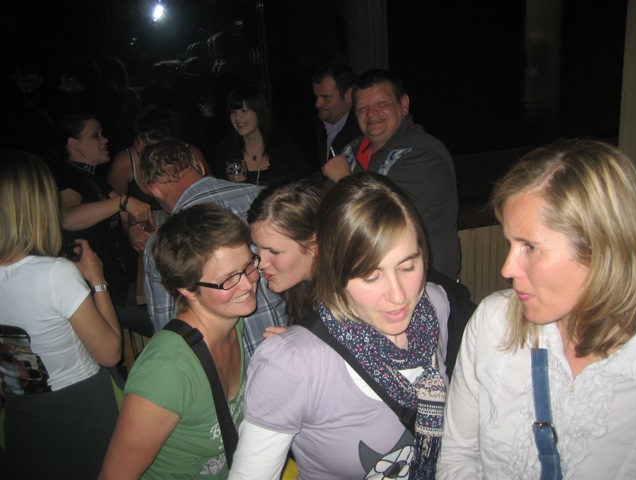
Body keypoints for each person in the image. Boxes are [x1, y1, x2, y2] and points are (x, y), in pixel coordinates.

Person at [437, 139, 636, 479]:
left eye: (529, 246)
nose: (506, 268)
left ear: (601, 247)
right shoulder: (493, 322)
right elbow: (457, 455)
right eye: (510, 243)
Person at [229, 172, 449, 479]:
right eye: (371, 276)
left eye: (408, 266)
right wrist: (306, 349)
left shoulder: (434, 306)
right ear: (336, 270)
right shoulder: (291, 362)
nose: (399, 296)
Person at [99, 203, 256, 479]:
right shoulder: (167, 372)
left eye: (248, 265)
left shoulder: (232, 320)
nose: (248, 284)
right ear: (188, 290)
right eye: (228, 279)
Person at [0, 149, 121, 479]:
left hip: (21, 415)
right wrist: (97, 280)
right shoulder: (54, 273)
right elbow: (110, 353)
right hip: (80, 412)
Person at [140, 138, 289, 355]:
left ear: (154, 190)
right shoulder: (266, 199)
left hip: (230, 365)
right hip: (291, 341)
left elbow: (167, 325)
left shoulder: (162, 243)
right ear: (200, 167)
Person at [322, 69, 461, 280]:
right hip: (363, 277)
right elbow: (323, 205)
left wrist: (344, 180)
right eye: (363, 108)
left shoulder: (425, 155)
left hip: (424, 286)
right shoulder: (351, 150)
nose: (371, 113)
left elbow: (384, 223)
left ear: (403, 105)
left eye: (381, 103)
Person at [56, 113, 154, 337]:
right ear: (74, 144)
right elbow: (67, 217)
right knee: (165, 321)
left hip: (121, 283)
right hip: (98, 293)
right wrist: (123, 202)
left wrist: (134, 229)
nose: (105, 140)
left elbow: (128, 214)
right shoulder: (68, 177)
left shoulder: (95, 179)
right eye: (95, 135)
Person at [107, 107, 210, 252]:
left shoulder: (189, 155)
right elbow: (112, 206)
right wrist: (133, 230)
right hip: (146, 241)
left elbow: (209, 195)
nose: (139, 148)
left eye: (147, 143)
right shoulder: (125, 162)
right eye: (137, 140)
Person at [247, 177, 325, 324]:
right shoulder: (301, 290)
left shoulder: (354, 298)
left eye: (274, 251)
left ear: (314, 245)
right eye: (257, 246)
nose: (260, 263)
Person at [215, 85, 308, 185]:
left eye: (244, 111)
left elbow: (303, 183)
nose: (237, 117)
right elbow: (219, 187)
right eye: (233, 112)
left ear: (259, 112)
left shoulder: (282, 144)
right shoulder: (226, 148)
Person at [311, 63, 361, 171]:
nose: (317, 104)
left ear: (348, 95)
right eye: (316, 97)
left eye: (326, 97)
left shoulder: (364, 131)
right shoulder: (314, 129)